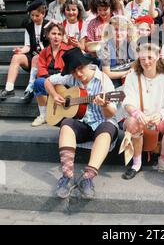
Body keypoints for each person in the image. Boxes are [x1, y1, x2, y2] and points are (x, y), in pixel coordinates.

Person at [45, 47, 118, 199]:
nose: (78, 74)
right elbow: (47, 81)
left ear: (87, 64)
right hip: (82, 124)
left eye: (80, 69)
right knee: (66, 124)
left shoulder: (104, 81)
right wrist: (55, 94)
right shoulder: (71, 79)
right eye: (73, 71)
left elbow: (111, 113)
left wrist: (104, 104)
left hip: (102, 123)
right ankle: (67, 176)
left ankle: (88, 177)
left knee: (107, 128)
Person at [121, 39, 164, 179]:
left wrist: (161, 114)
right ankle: (136, 163)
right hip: (139, 118)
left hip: (158, 119)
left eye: (150, 58)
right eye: (142, 59)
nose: (146, 62)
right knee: (132, 122)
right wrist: (137, 113)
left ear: (158, 56)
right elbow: (127, 101)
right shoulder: (132, 77)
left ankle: (163, 160)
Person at [0, 0, 48, 101]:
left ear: (43, 14)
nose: (34, 18)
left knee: (36, 57)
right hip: (33, 56)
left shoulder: (49, 25)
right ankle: (9, 89)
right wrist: (21, 51)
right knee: (16, 57)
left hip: (46, 58)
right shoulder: (29, 26)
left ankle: (30, 90)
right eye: (32, 15)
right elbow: (28, 46)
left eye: (37, 15)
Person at [32, 22, 71, 127]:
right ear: (48, 35)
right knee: (38, 82)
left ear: (63, 36)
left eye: (59, 34)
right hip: (48, 79)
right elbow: (41, 70)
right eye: (53, 33)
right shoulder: (44, 52)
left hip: (64, 80)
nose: (56, 37)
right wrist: (49, 80)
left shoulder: (68, 50)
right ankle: (43, 115)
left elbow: (69, 70)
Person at [98, 16, 136, 88]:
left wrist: (132, 70)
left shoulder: (132, 44)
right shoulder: (106, 47)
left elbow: (136, 64)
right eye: (115, 29)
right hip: (110, 80)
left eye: (122, 30)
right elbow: (106, 73)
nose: (118, 33)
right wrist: (127, 73)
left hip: (127, 79)